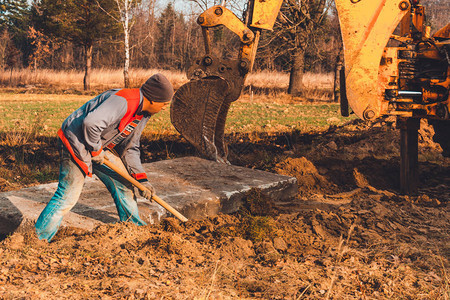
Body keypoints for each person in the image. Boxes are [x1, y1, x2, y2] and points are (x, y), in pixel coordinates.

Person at [35, 73, 174, 242]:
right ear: (153, 99)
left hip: (98, 146)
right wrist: (96, 150)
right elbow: (91, 123)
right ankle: (39, 240)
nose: (165, 107)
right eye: (164, 103)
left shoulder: (143, 113)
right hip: (76, 142)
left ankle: (134, 230)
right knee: (67, 195)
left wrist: (141, 179)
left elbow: (130, 147)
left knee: (124, 184)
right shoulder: (124, 101)